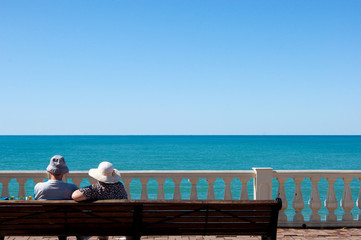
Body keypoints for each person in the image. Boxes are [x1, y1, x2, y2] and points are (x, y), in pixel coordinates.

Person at [72, 161, 128, 240]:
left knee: (101, 221)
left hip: (99, 225)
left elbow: (75, 196)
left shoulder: (95, 189)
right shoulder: (120, 186)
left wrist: (90, 188)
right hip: (119, 224)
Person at [34, 155, 86, 240]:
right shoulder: (72, 188)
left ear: (49, 171)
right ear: (64, 172)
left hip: (44, 223)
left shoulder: (38, 187)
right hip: (66, 224)